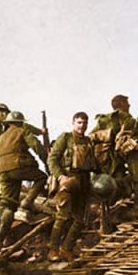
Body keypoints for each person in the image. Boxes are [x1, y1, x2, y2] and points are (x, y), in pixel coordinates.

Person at [47, 112, 98, 261]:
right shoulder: (66, 138)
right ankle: (53, 250)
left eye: (84, 123)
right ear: (73, 123)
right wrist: (60, 176)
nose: (82, 126)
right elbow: (52, 159)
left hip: (83, 182)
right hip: (68, 181)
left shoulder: (88, 141)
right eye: (79, 122)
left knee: (80, 219)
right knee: (62, 216)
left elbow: (93, 162)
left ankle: (66, 249)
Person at [0, 111, 48, 241]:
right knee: (41, 177)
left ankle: (1, 238)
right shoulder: (22, 131)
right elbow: (36, 146)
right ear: (20, 122)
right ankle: (27, 202)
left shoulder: (0, 138)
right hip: (19, 166)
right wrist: (46, 160)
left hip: (3, 172)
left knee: (7, 205)